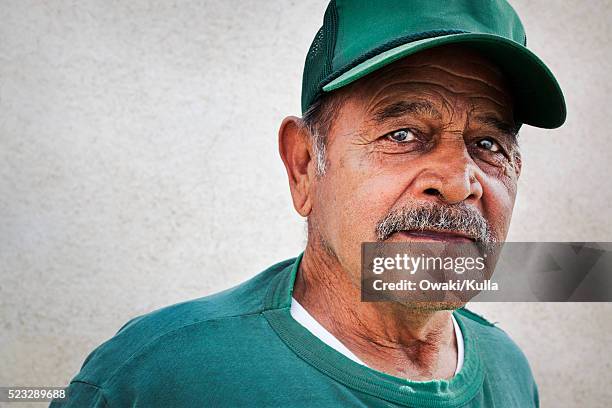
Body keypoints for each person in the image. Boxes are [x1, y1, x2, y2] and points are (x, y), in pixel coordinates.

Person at [52, 0, 566, 406]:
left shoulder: (507, 370)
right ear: (303, 166)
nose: (459, 182)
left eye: (489, 145)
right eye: (404, 134)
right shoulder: (158, 377)